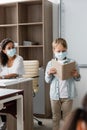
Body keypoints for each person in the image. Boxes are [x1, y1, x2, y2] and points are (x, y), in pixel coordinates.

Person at [45, 38, 81, 130]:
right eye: (58, 51)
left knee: (67, 118)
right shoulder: (50, 64)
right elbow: (47, 80)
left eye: (63, 51)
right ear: (54, 51)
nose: (61, 53)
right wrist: (49, 73)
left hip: (67, 95)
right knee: (55, 117)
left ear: (66, 50)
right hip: (54, 96)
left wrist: (76, 75)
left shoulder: (73, 63)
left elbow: (78, 79)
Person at [0, 38, 25, 130]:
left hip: (19, 85)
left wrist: (2, 77)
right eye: (9, 48)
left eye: (13, 47)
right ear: (3, 50)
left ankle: (10, 122)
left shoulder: (19, 58)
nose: (12, 50)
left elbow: (15, 73)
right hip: (5, 85)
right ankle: (4, 121)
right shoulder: (2, 59)